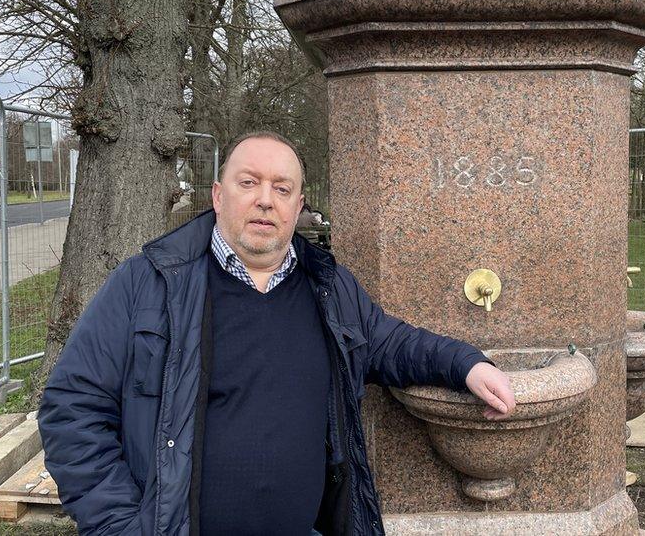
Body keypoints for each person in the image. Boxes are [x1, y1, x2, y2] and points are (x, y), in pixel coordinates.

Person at [37, 131, 516, 536]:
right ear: (218, 195)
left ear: (298, 206)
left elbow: (390, 341)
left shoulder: (327, 288)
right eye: (249, 183)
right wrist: (121, 526)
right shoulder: (148, 283)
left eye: (282, 188)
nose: (266, 199)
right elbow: (72, 406)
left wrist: (466, 364)